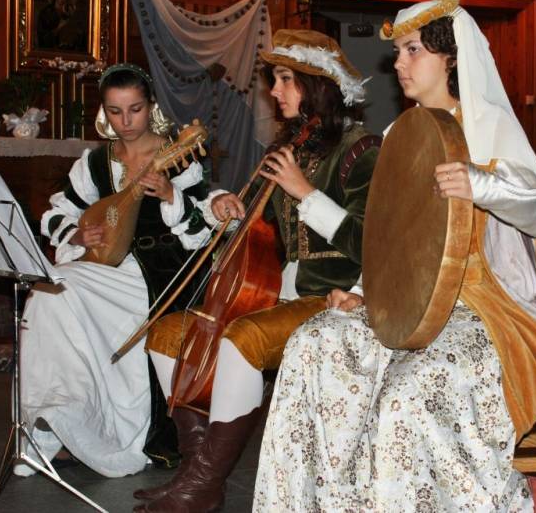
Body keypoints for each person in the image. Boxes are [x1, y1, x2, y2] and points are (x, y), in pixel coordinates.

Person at [253, 0, 536, 512]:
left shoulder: (488, 125)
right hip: (407, 304)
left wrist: (482, 184)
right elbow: (392, 240)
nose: (399, 63)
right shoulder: (399, 134)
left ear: (450, 57)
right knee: (311, 345)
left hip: (489, 308)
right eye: (398, 52)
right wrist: (362, 291)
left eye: (413, 50)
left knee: (408, 391)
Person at [132, 29, 380, 513]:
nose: (275, 91)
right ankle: (197, 473)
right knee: (165, 334)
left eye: (285, 79)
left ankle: (205, 482)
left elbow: (371, 242)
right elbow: (261, 236)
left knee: (242, 338)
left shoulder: (362, 149)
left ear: (317, 85)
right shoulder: (285, 151)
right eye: (274, 80)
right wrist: (226, 210)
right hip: (272, 295)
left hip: (337, 298)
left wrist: (305, 192)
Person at [15, 63, 213, 478]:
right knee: (47, 295)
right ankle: (56, 422)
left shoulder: (179, 158)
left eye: (135, 109)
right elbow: (57, 212)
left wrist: (171, 195)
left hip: (161, 274)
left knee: (63, 289)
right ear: (104, 111)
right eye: (115, 111)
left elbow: (203, 230)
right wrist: (76, 233)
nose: (126, 121)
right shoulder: (95, 163)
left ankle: (99, 431)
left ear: (151, 106)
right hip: (106, 268)